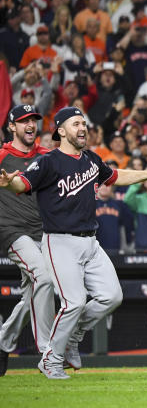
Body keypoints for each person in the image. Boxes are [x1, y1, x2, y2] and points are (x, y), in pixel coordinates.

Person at [0, 106, 147, 379]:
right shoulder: (49, 161)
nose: (82, 128)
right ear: (60, 131)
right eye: (75, 124)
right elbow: (23, 184)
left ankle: (72, 337)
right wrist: (10, 183)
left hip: (90, 243)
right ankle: (51, 360)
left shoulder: (91, 159)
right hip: (59, 241)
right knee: (74, 302)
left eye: (83, 123)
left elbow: (115, 176)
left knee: (112, 296)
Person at [0, 105, 53, 377]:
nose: (30, 125)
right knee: (43, 277)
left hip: (42, 233)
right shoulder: (1, 156)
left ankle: (3, 341)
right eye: (23, 121)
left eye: (33, 120)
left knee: (33, 292)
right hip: (12, 231)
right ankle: (48, 352)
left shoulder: (46, 156)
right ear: (12, 127)